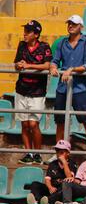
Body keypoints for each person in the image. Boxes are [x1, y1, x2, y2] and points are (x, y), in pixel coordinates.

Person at [49, 15, 86, 160]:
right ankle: (58, 155)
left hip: (80, 88)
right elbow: (55, 60)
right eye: (69, 23)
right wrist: (53, 66)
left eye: (74, 24)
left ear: (80, 26)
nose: (70, 26)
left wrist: (71, 70)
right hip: (63, 87)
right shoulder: (62, 43)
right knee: (60, 121)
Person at [14, 20, 52, 165]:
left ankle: (37, 153)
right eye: (25, 30)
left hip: (37, 91)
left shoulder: (44, 46)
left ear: (36, 34)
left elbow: (47, 65)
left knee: (33, 124)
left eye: (28, 31)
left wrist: (28, 65)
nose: (25, 33)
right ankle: (28, 154)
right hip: (21, 89)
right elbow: (17, 63)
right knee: (24, 124)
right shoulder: (21, 45)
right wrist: (18, 65)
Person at [27, 140, 77, 204]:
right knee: (35, 184)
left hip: (62, 189)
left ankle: (47, 202)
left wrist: (64, 162)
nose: (59, 154)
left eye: (62, 152)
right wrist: (50, 187)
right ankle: (37, 201)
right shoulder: (53, 164)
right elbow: (47, 179)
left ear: (68, 153)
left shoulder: (72, 164)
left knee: (63, 190)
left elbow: (69, 177)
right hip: (52, 189)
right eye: (57, 151)